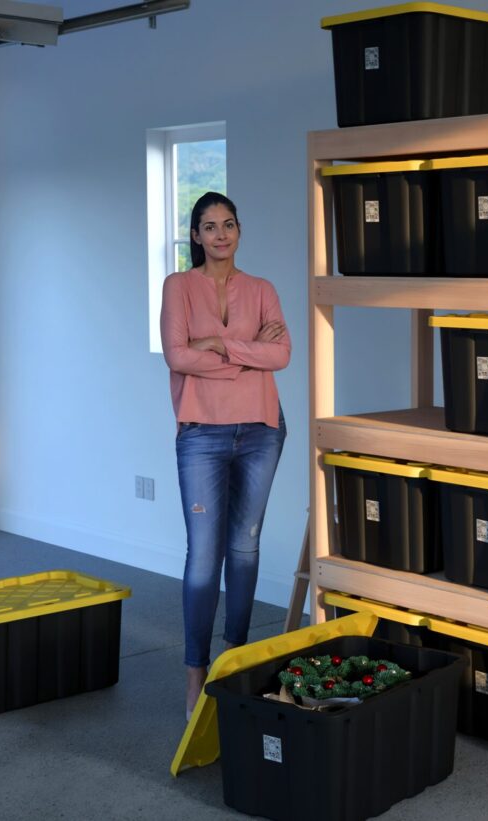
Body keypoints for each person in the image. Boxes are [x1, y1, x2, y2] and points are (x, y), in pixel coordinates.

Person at [160, 191, 290, 719]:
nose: (220, 234)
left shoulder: (262, 289)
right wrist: (247, 352)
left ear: (239, 231)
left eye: (228, 224)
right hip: (201, 433)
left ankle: (233, 664)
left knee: (244, 549)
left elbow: (281, 354)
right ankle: (196, 674)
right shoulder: (177, 286)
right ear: (196, 236)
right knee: (202, 558)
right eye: (209, 226)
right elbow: (176, 354)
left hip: (261, 428)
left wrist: (217, 348)